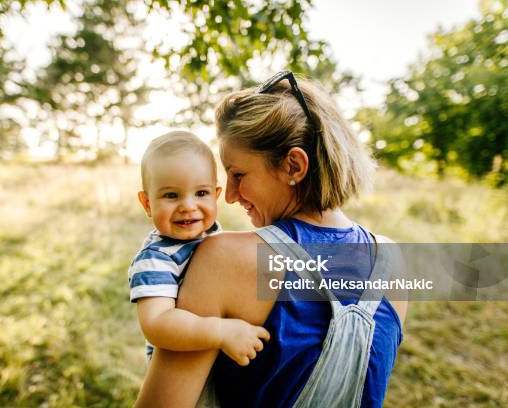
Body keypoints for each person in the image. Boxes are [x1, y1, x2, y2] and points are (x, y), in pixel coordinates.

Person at [134, 72, 408, 407]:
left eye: (238, 175)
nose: (230, 197)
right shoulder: (391, 260)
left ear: (294, 165)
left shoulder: (224, 259)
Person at [129, 130, 270, 365]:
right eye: (172, 195)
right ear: (147, 204)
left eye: (201, 193)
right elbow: (156, 323)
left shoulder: (214, 235)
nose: (188, 206)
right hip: (181, 364)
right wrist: (221, 331)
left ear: (215, 195)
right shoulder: (156, 259)